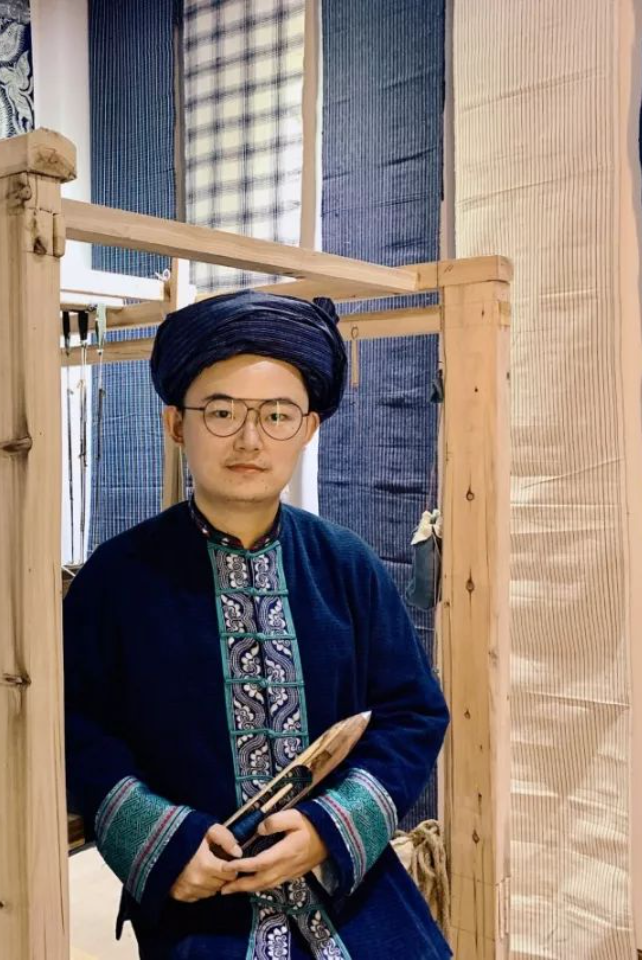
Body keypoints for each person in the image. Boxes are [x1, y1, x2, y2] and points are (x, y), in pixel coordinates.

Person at [63, 291, 451, 959]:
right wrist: (168, 844)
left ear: (308, 429)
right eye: (221, 412)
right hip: (203, 900)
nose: (249, 440)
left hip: (352, 890)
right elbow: (75, 729)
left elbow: (411, 714)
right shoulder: (116, 579)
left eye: (276, 415)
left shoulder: (346, 565)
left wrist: (329, 829)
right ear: (177, 425)